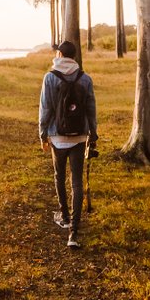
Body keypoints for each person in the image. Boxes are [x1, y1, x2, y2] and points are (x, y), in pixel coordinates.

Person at [38, 40, 97, 249]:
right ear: (74, 56)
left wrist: (42, 133)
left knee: (59, 176)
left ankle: (64, 216)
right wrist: (93, 134)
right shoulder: (85, 79)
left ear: (60, 54)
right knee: (77, 182)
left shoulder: (50, 78)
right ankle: (74, 230)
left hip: (57, 137)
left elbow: (45, 109)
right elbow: (91, 109)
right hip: (80, 137)